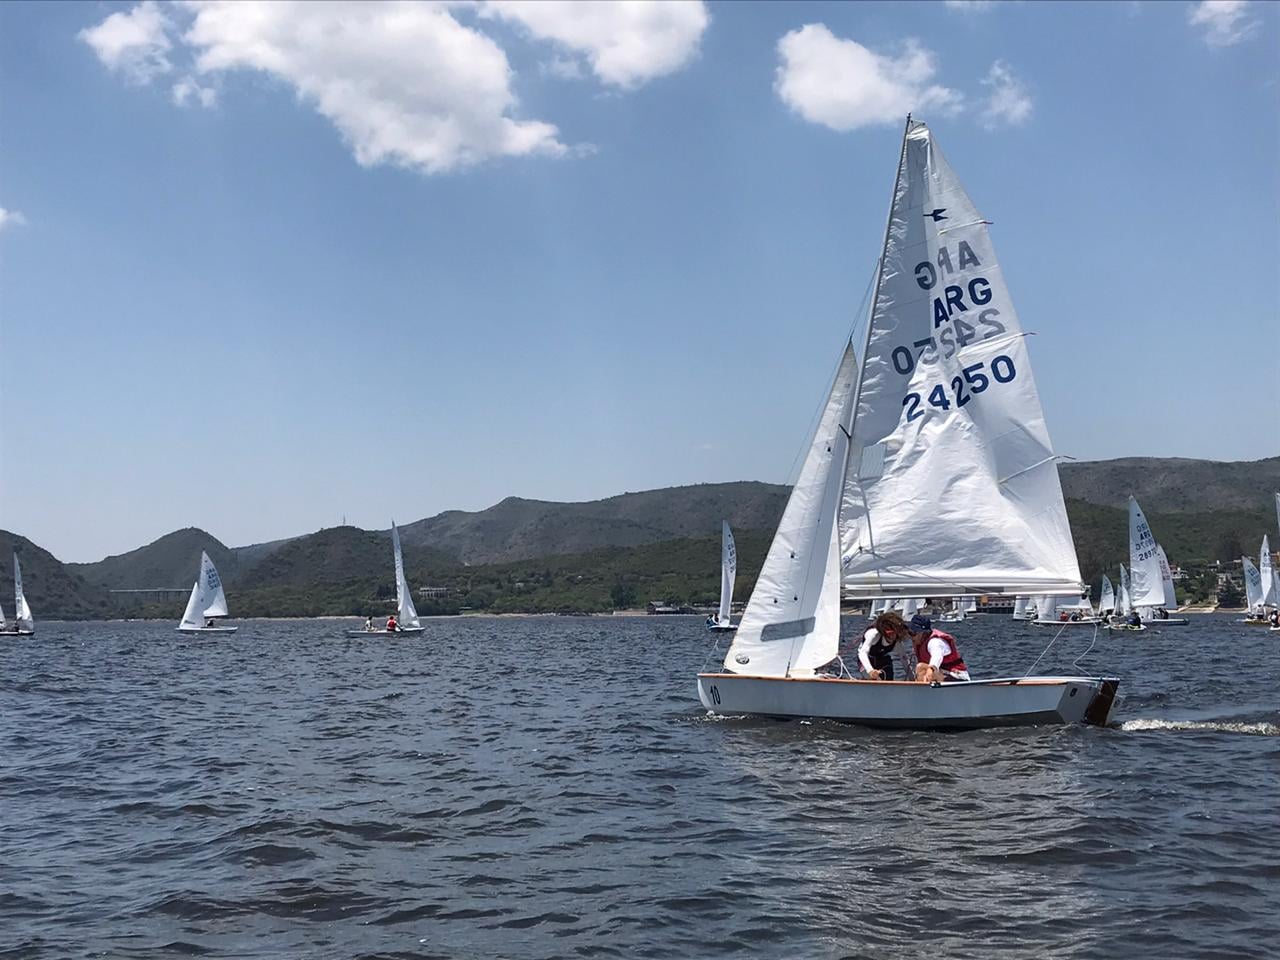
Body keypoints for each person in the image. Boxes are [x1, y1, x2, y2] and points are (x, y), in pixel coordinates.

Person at [906, 614, 970, 683]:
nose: (910, 636)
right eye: (909, 633)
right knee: (921, 670)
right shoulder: (920, 642)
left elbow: (937, 656)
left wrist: (931, 669)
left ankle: (923, 688)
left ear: (924, 633)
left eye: (913, 633)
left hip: (958, 677)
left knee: (921, 668)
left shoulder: (935, 642)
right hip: (944, 674)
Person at [858, 610, 908, 680]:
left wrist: (912, 679)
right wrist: (870, 671)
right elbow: (862, 653)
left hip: (882, 659)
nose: (893, 636)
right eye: (890, 633)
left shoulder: (897, 642)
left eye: (895, 633)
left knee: (888, 677)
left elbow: (904, 660)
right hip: (866, 658)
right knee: (872, 678)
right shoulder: (873, 634)